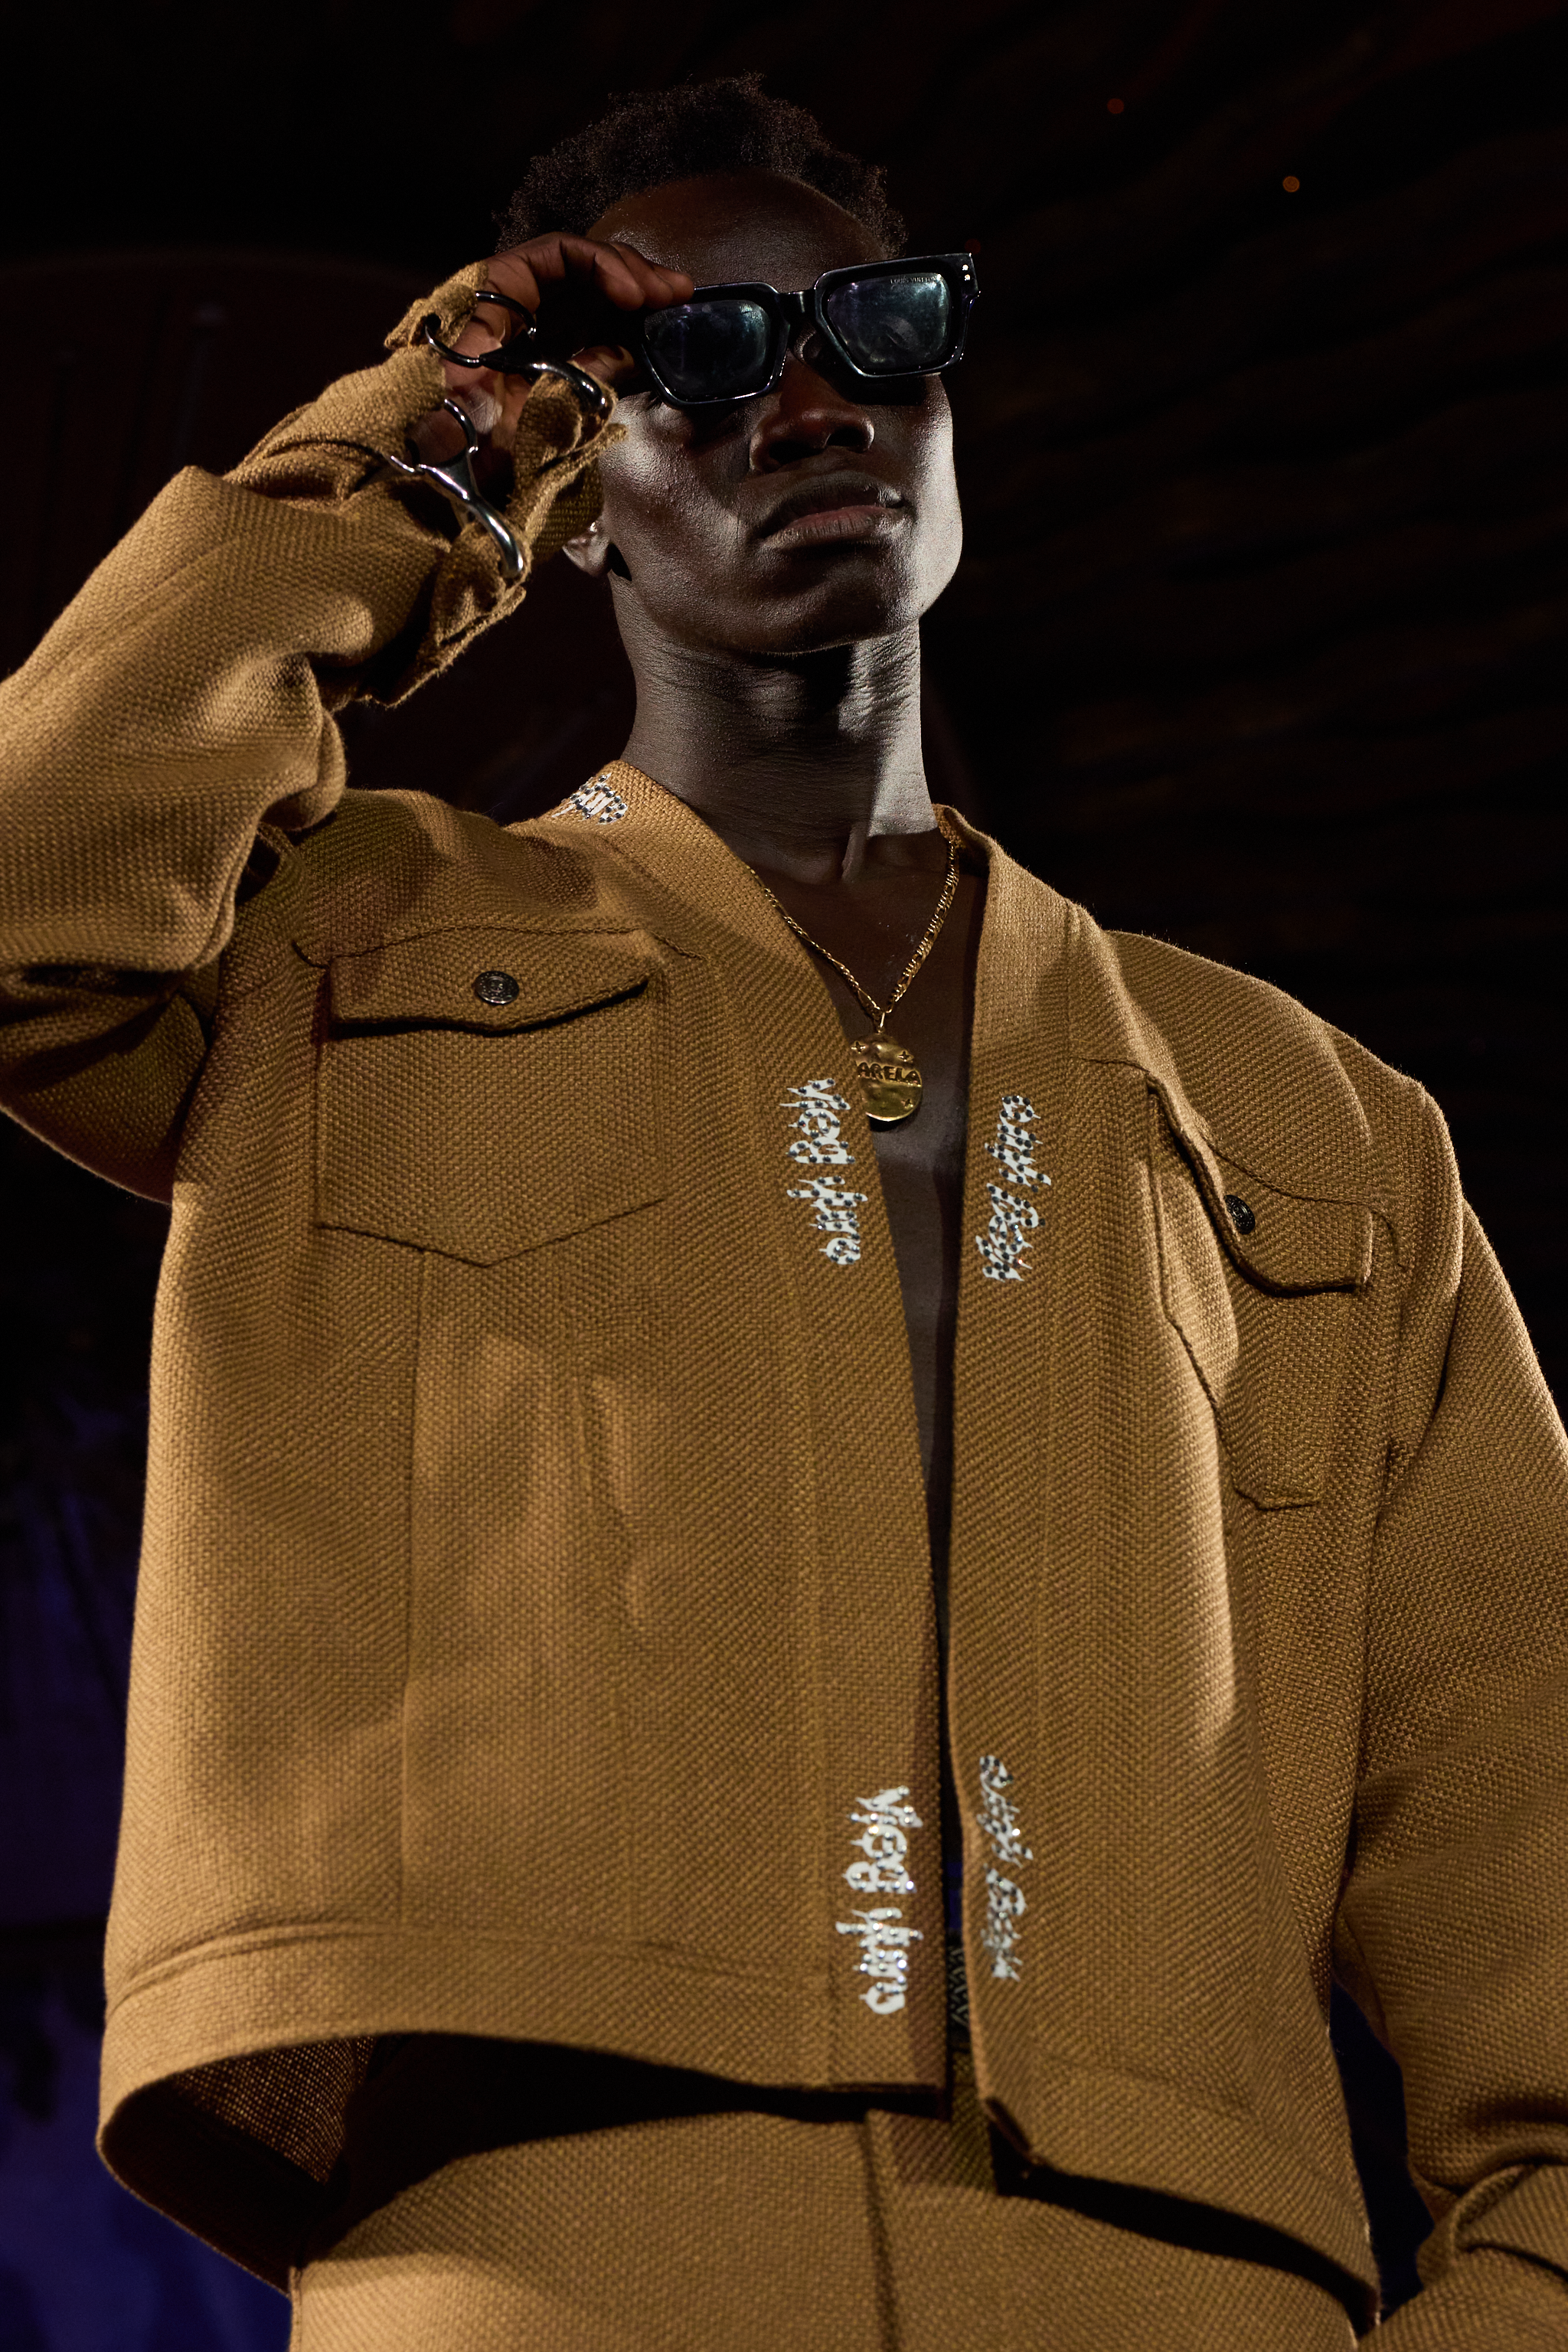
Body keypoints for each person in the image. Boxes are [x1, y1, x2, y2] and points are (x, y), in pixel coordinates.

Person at [2, 73, 1566, 2352]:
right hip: (547, 2243)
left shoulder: (1319, 1127)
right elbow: (34, 883)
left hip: (1191, 2276)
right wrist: (447, 422)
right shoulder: (337, 956)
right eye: (702, 365)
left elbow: (1532, 1847)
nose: (812, 405)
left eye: (876, 331)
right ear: (582, 494)